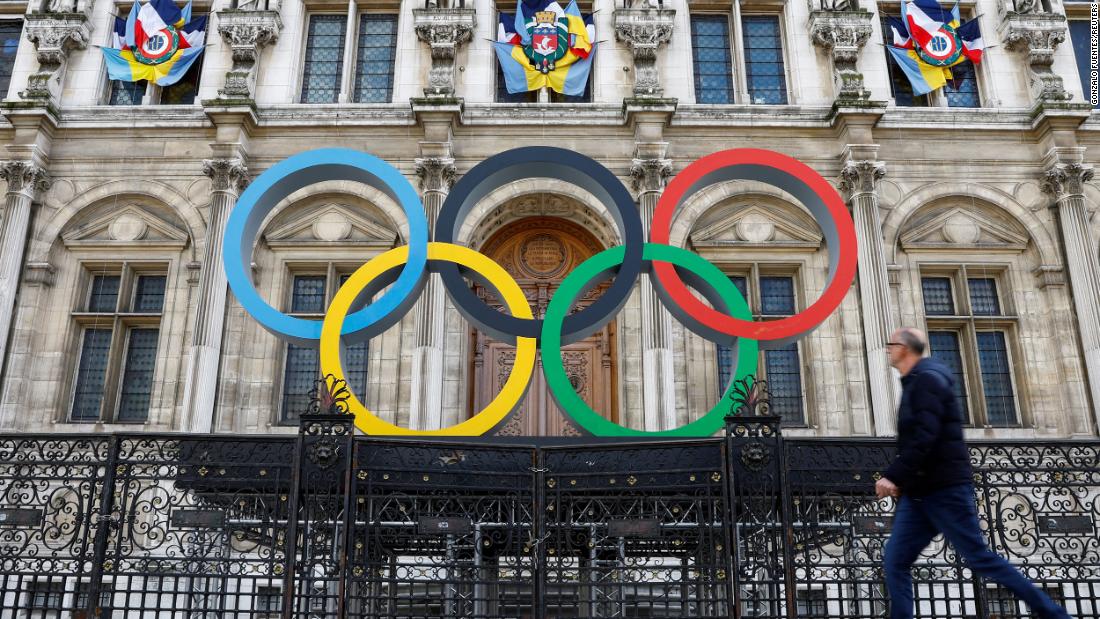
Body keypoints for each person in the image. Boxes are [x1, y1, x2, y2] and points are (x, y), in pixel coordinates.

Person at [878, 327, 1072, 619]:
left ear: (905, 348)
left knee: (980, 558)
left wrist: (893, 475)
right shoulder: (917, 381)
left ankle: (1054, 614)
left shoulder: (927, 381)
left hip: (944, 491)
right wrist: (904, 479)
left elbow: (925, 437)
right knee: (895, 561)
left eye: (891, 344)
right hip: (921, 494)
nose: (887, 349)